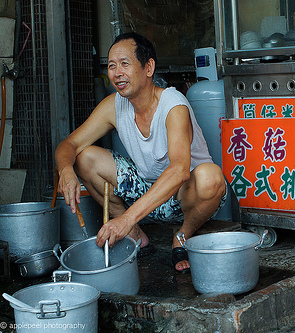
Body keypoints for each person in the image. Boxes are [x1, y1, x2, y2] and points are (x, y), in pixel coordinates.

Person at [54, 32, 227, 273]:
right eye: (112, 66)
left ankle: (182, 235)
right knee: (84, 158)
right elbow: (69, 145)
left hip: (185, 196)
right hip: (145, 190)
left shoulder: (172, 104)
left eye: (125, 64)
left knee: (211, 176)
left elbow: (179, 171)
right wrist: (65, 170)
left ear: (148, 68)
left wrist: (126, 218)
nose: (117, 73)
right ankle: (137, 236)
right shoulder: (114, 105)